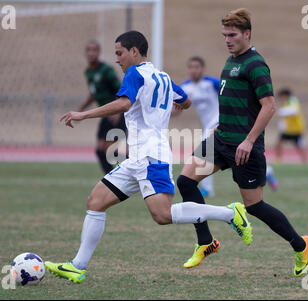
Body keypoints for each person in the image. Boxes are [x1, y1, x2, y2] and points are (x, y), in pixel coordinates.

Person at [44, 31, 253, 283]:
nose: (118, 60)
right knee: (96, 201)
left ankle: (230, 214)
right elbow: (185, 101)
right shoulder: (162, 76)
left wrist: (82, 115)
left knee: (162, 215)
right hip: (138, 158)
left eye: (120, 53)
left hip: (150, 156)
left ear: (134, 52)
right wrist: (171, 106)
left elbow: (123, 104)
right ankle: (77, 266)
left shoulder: (135, 73)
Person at [177, 9, 308, 276]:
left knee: (254, 207)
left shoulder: (255, 64)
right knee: (185, 181)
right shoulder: (231, 60)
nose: (227, 39)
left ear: (247, 34)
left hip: (244, 147)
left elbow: (269, 106)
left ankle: (300, 244)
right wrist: (219, 124)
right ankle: (205, 242)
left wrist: (249, 141)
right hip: (221, 139)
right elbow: (233, 100)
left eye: (232, 35)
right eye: (224, 35)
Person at [79, 40, 127, 174]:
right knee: (100, 150)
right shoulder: (88, 72)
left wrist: (117, 112)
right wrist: (81, 110)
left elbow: (121, 89)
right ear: (85, 53)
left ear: (98, 53)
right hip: (105, 115)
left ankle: (136, 171)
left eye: (94, 50)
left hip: (115, 113)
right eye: (89, 50)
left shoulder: (106, 70)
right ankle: (111, 179)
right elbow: (94, 93)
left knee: (113, 151)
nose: (91, 53)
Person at [178, 56, 220, 198]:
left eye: (197, 67)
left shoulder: (212, 83)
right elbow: (177, 107)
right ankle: (266, 171)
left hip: (220, 121)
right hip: (207, 125)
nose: (193, 70)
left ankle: (207, 189)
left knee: (204, 151)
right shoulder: (186, 87)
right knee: (234, 157)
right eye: (191, 67)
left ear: (203, 69)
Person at [275, 88, 307, 163]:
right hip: (288, 130)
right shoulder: (287, 103)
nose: (280, 99)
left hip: (296, 129)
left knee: (300, 147)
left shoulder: (292, 101)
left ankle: (305, 161)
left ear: (284, 95)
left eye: (281, 97)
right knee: (278, 143)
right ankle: (279, 160)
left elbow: (293, 111)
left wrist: (280, 112)